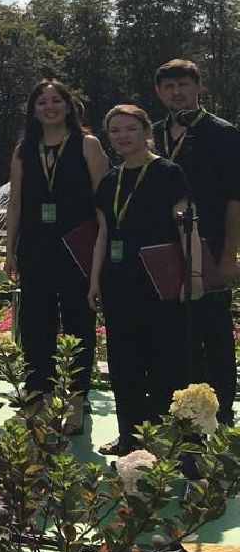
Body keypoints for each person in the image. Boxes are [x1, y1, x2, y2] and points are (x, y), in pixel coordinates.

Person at [90, 104, 197, 455]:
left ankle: (172, 443)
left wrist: (192, 274)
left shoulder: (168, 173)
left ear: (145, 131)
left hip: (160, 282)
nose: (122, 136)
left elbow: (185, 226)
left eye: (130, 129)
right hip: (119, 283)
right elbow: (104, 234)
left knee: (166, 362)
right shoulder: (110, 181)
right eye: (115, 130)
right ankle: (129, 438)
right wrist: (94, 282)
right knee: (124, 364)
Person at [3, 80, 108, 432]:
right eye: (42, 101)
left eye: (56, 100)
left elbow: (103, 203)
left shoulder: (87, 145)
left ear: (68, 106)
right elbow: (15, 202)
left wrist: (101, 254)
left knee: (79, 324)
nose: (49, 107)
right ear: (33, 110)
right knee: (35, 325)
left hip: (77, 249)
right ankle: (37, 397)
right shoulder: (23, 150)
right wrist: (10, 251)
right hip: (35, 249)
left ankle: (76, 400)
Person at [152, 59, 240, 425]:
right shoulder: (152, 133)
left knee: (214, 333)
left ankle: (220, 418)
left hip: (211, 246)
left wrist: (230, 255)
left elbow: (235, 198)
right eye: (169, 86)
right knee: (170, 334)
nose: (176, 92)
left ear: (198, 87)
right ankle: (172, 417)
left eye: (183, 85)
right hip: (164, 252)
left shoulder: (223, 133)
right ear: (158, 92)